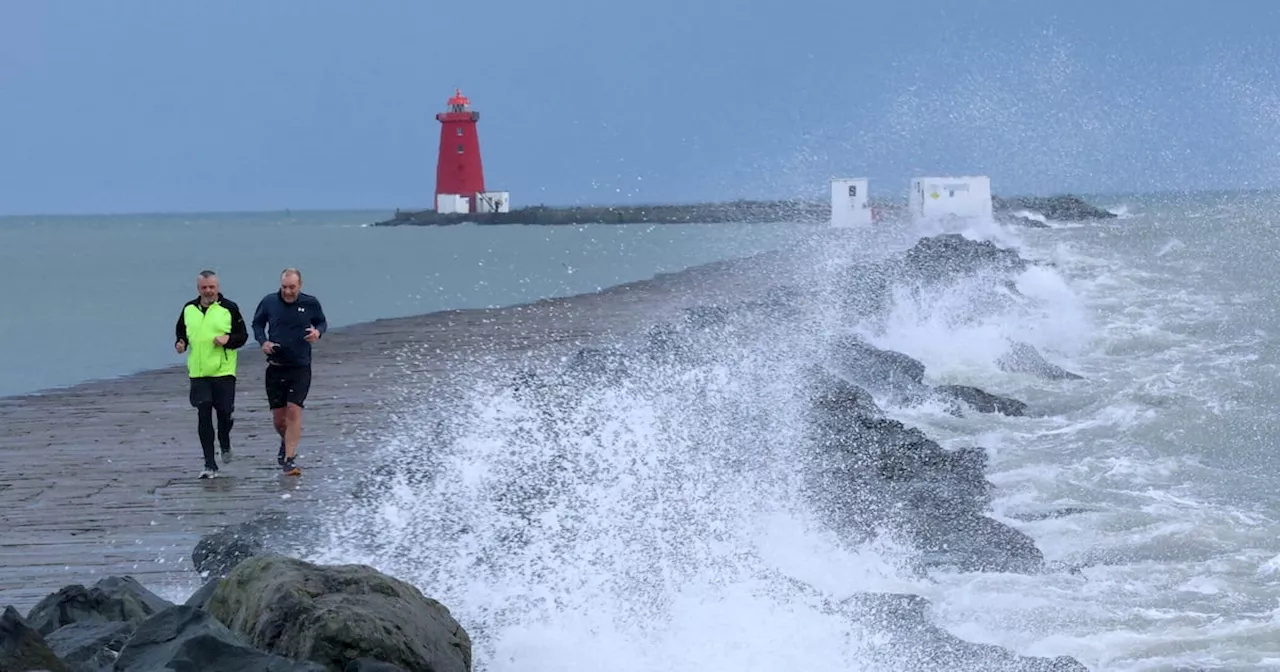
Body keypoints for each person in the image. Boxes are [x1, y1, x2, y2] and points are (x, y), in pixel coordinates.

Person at [252, 267, 327, 476]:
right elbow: (257, 324)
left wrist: (317, 332)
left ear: (300, 286)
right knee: (279, 420)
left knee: (294, 410)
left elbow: (322, 322)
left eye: (292, 287)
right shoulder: (269, 302)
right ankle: (285, 443)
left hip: (300, 366)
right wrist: (263, 341)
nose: (288, 291)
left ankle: (290, 460)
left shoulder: (310, 303)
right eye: (284, 287)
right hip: (275, 367)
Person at [175, 270, 249, 479]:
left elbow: (242, 336)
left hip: (223, 371)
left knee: (224, 412)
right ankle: (209, 464)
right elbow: (181, 331)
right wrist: (180, 343)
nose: (208, 291)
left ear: (217, 287)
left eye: (211, 287)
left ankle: (225, 440)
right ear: (198, 289)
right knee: (204, 411)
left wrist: (228, 339)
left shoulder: (229, 308)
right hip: (198, 372)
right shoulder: (189, 308)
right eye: (204, 288)